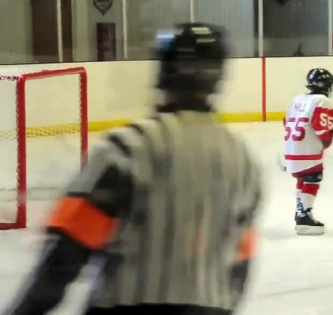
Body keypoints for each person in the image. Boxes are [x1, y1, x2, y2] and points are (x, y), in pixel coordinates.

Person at [8, 23, 263, 315]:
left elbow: (68, 251)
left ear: (163, 71)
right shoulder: (244, 162)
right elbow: (240, 264)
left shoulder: (129, 147)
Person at [283, 68, 333, 236]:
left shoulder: (296, 99)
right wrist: (326, 141)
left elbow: (286, 121)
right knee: (313, 177)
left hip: (291, 149)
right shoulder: (322, 101)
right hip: (308, 150)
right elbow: (322, 128)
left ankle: (300, 210)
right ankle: (304, 216)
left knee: (302, 178)